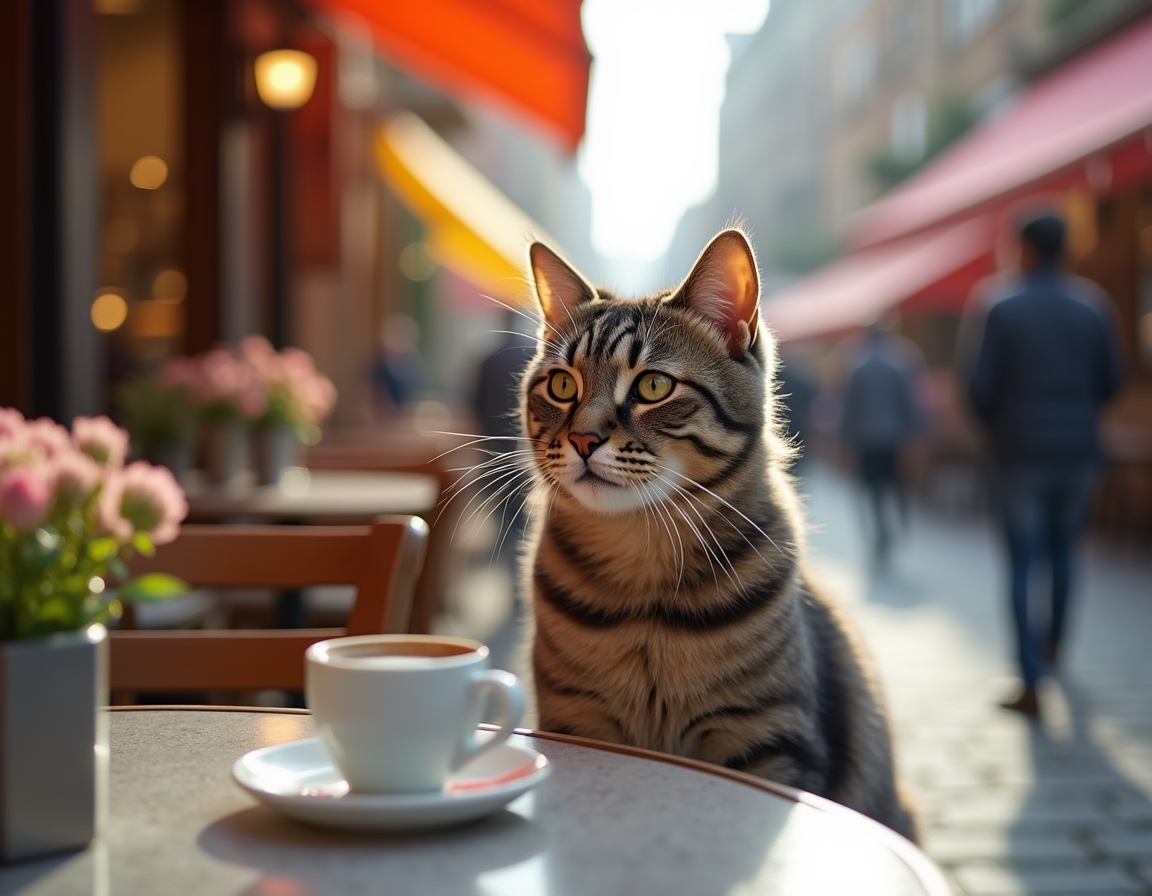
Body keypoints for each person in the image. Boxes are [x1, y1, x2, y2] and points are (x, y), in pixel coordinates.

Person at [965, 211, 1124, 717]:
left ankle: (1031, 678)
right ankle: (1054, 649)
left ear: (1026, 249)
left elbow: (979, 388)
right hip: (1077, 453)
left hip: (1018, 455)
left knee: (1022, 562)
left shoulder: (1000, 305)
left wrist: (1001, 428)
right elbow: (1113, 382)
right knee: (1063, 555)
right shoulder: (1093, 306)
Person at [840, 321, 923, 563]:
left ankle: (881, 531)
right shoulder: (902, 360)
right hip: (895, 437)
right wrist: (916, 435)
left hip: (867, 438)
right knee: (897, 486)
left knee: (874, 488)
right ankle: (896, 528)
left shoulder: (858, 364)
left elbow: (851, 407)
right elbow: (910, 404)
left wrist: (845, 440)